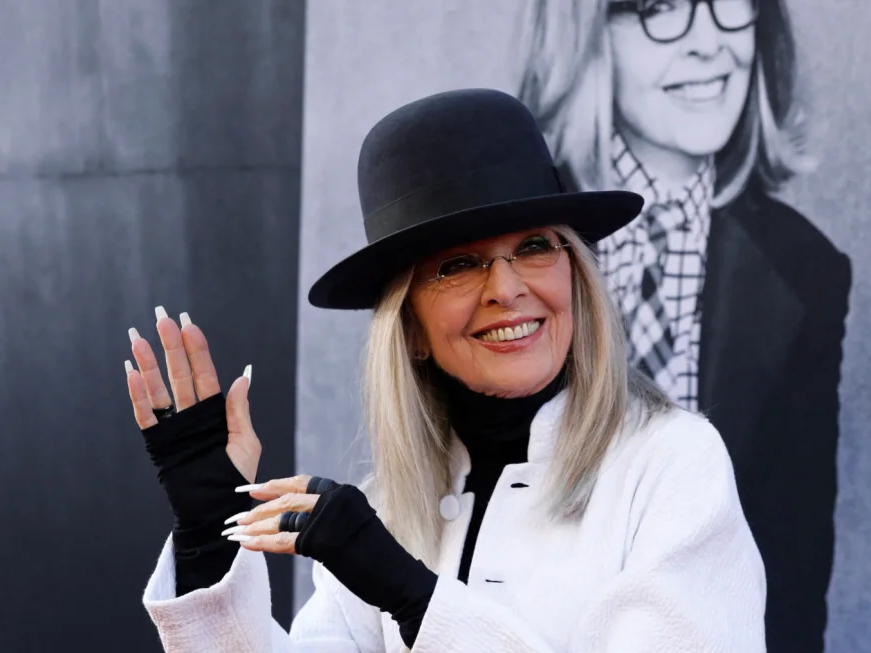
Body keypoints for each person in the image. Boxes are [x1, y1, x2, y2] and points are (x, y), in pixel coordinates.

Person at [127, 88, 766, 651]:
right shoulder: (388, 508)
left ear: (576, 275)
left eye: (534, 247)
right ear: (409, 330)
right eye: (458, 265)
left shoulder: (671, 465)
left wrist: (412, 595)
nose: (507, 289)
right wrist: (209, 539)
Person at [516, 1, 853, 651]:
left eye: (730, 4)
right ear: (581, 34)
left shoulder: (805, 270)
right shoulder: (497, 232)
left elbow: (792, 568)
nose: (708, 42)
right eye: (658, 7)